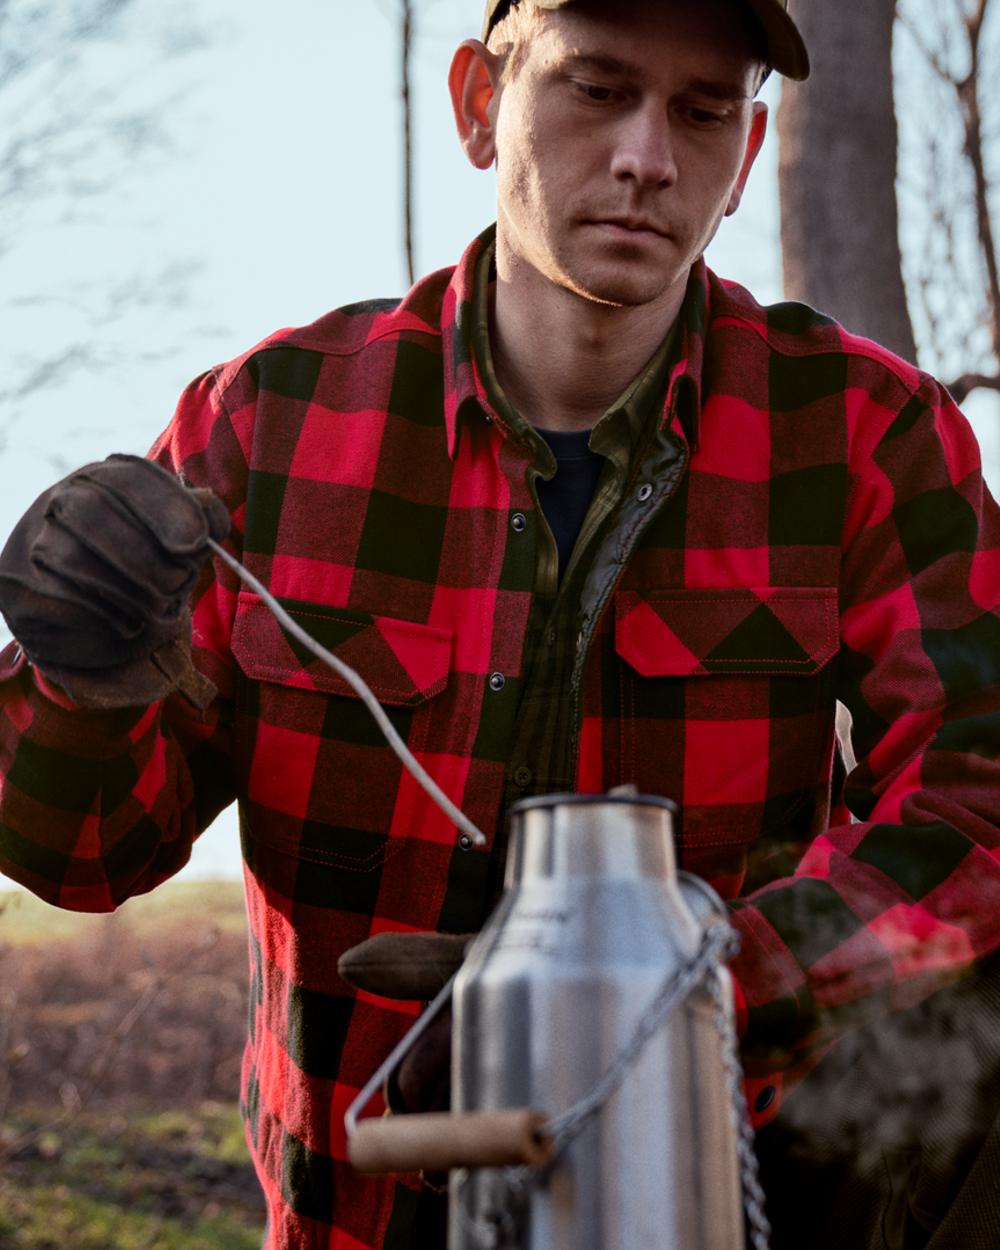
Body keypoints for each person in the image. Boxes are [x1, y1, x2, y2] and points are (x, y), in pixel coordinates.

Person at [1, 0, 999, 1247]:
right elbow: (81, 851)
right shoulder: (271, 424)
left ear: (746, 161)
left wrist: (681, 994)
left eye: (701, 113)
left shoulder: (863, 433)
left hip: (718, 1192)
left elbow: (982, 795)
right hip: (356, 1203)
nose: (647, 156)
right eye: (595, 88)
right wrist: (78, 667)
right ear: (481, 103)